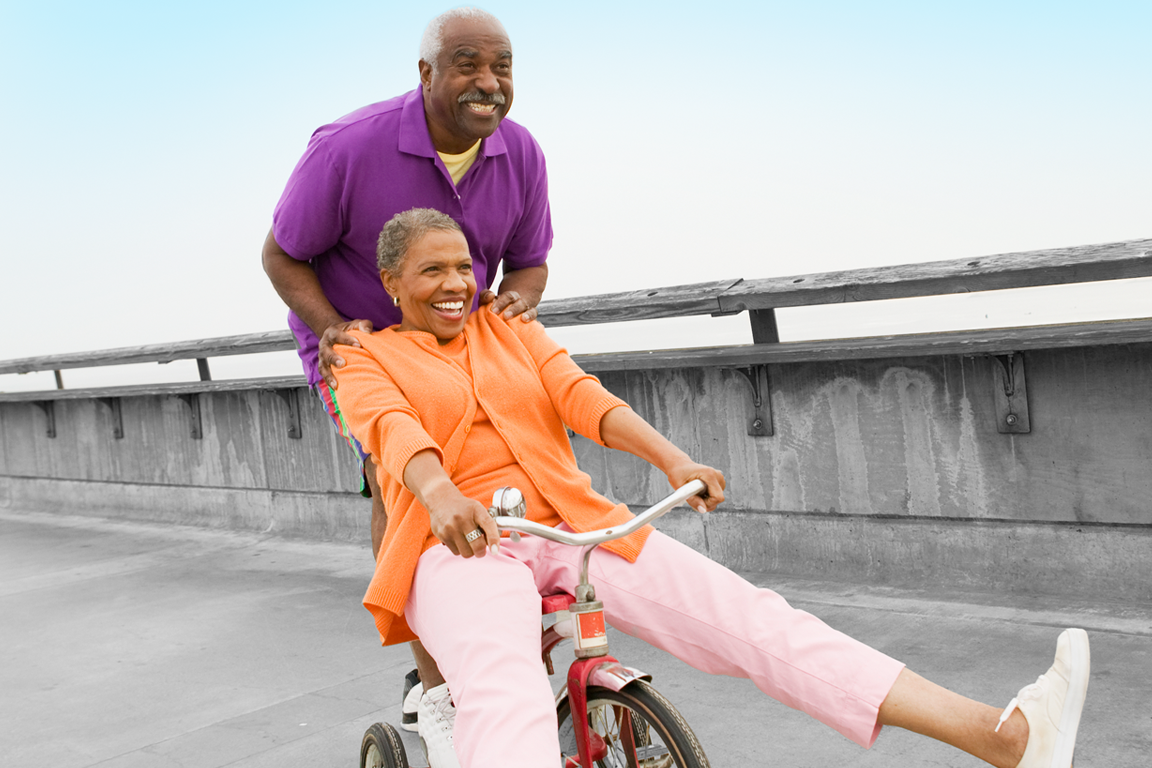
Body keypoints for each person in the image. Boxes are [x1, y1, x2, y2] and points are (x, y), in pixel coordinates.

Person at [333, 207, 1091, 768]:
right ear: (391, 281)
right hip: (459, 549)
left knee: (757, 621)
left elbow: (582, 398)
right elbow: (396, 432)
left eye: (463, 265)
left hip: (574, 527)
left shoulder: (512, 330)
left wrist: (674, 458)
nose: (455, 282)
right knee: (507, 690)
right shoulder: (364, 356)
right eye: (432, 270)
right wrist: (439, 495)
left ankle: (1003, 737)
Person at [260, 8, 547, 762]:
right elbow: (282, 255)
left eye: (502, 67)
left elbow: (530, 259)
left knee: (517, 471)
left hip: (463, 344)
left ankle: (504, 642)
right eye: (466, 64)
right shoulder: (347, 148)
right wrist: (330, 328)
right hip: (363, 348)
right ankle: (438, 693)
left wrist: (520, 295)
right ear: (426, 74)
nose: (488, 83)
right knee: (410, 482)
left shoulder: (520, 153)